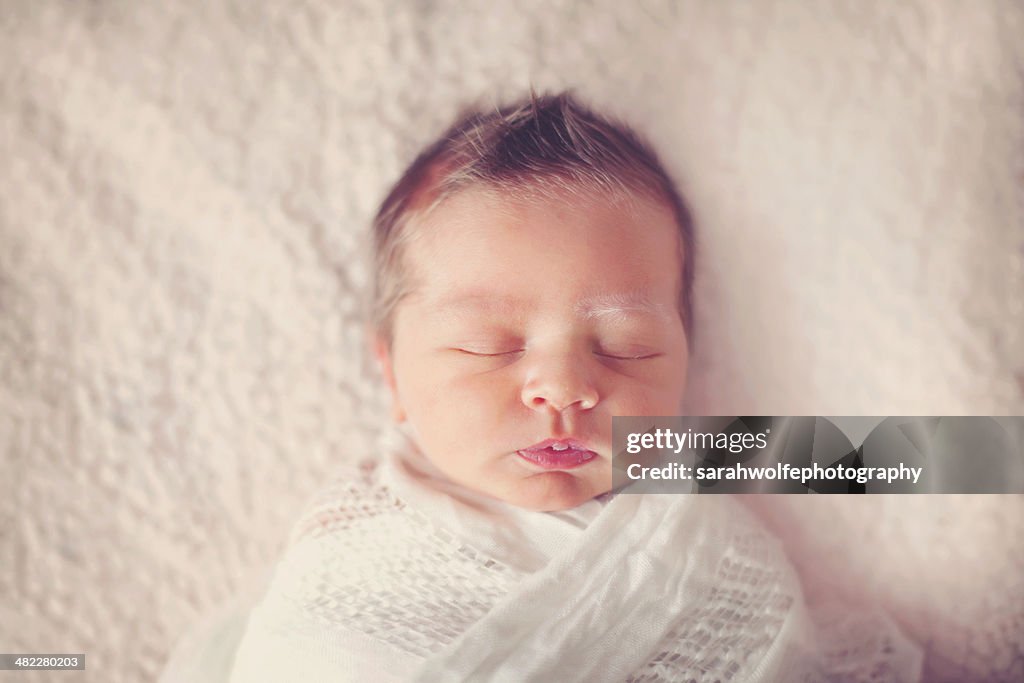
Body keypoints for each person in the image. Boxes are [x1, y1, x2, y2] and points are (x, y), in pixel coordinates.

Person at [224, 92, 921, 682]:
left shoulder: (703, 530)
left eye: (626, 347)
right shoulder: (352, 539)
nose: (562, 388)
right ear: (393, 373)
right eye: (487, 345)